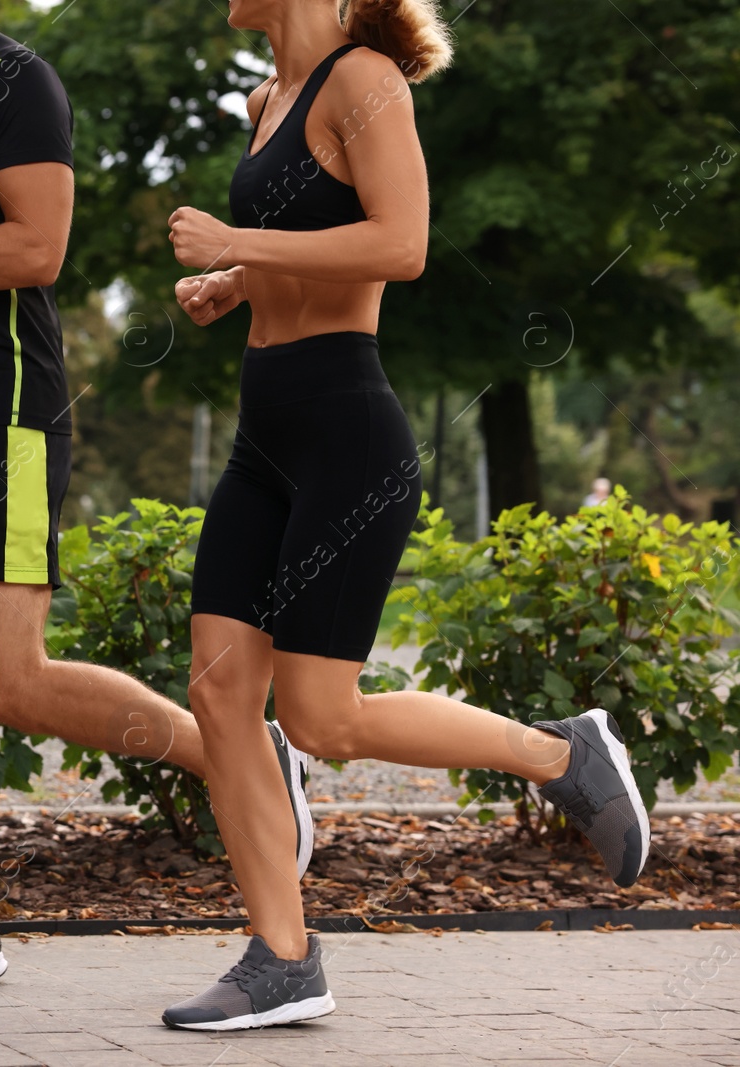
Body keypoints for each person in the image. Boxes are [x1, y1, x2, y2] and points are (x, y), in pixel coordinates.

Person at [0, 0, 314, 988]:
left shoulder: (17, 79)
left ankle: (238, 758)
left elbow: (35, 251)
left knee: (5, 673)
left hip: (3, 416)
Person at [160, 0, 650, 1031]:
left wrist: (234, 236)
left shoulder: (361, 79)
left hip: (346, 431)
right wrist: (235, 281)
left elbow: (402, 242)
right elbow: (304, 244)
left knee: (320, 717)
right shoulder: (268, 97)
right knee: (217, 693)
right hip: (265, 434)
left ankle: (561, 753)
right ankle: (281, 957)